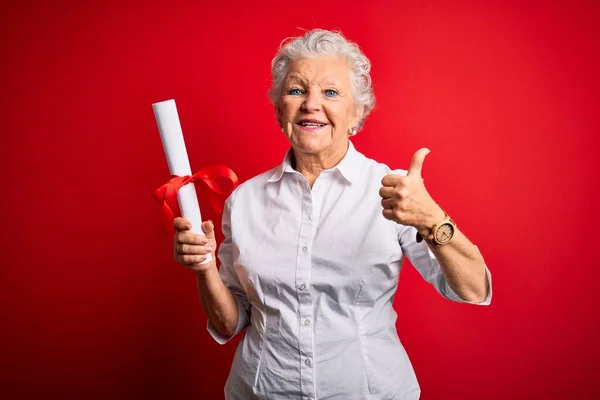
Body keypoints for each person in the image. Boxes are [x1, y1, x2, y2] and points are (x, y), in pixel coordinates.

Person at [171, 29, 492, 400]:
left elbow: (473, 289)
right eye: (296, 91)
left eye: (331, 92)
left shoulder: (394, 191)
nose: (310, 104)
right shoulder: (244, 200)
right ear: (280, 110)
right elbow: (229, 323)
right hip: (261, 391)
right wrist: (205, 268)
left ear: (357, 113)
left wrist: (432, 219)